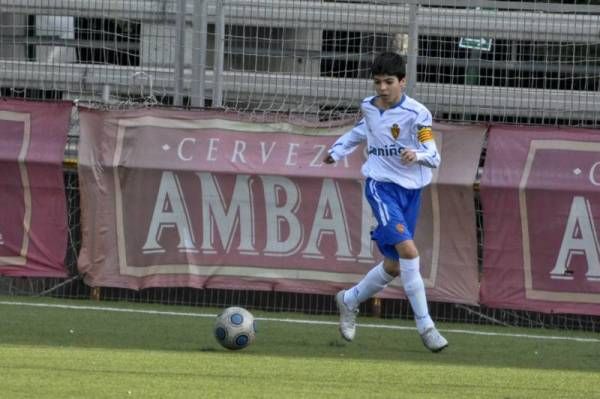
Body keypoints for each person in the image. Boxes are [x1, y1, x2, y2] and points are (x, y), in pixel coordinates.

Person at [323, 51, 448, 353]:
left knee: (393, 265)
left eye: (388, 82)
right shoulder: (368, 107)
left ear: (402, 82)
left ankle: (349, 299)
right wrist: (336, 151)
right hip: (381, 188)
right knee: (409, 250)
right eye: (377, 82)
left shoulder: (418, 114)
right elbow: (361, 132)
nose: (381, 88)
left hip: (411, 192)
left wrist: (416, 154)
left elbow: (433, 154)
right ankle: (426, 326)